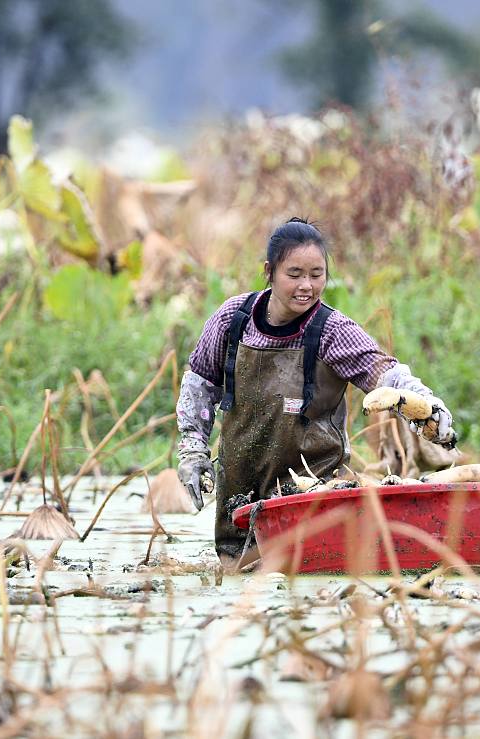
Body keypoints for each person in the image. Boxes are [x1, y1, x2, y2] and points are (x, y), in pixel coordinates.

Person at [175, 217, 456, 566]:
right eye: (294, 274)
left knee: (311, 584)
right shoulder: (233, 321)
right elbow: (199, 384)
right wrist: (192, 450)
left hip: (315, 502)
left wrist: (427, 406)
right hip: (240, 504)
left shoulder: (333, 331)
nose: (306, 286)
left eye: (317, 274)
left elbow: (387, 375)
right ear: (270, 271)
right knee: (241, 583)